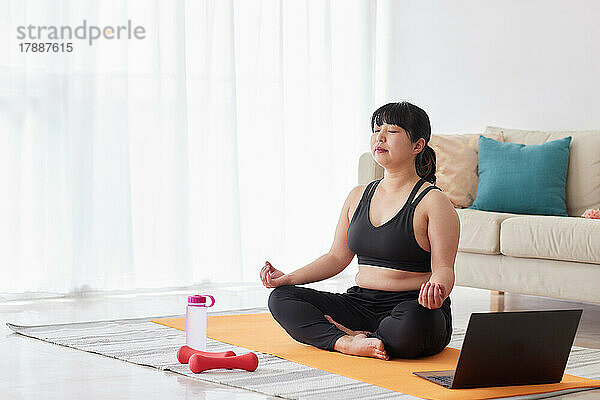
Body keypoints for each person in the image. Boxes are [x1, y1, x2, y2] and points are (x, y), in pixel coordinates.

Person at [260, 101, 460, 360]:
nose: (380, 136)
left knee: (412, 325)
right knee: (282, 299)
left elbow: (444, 268)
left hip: (413, 306)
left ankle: (360, 336)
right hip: (360, 304)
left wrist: (437, 290)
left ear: (417, 146)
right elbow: (336, 257)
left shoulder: (433, 202)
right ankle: (346, 342)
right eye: (377, 129)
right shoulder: (357, 196)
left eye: (393, 130)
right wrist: (288, 279)